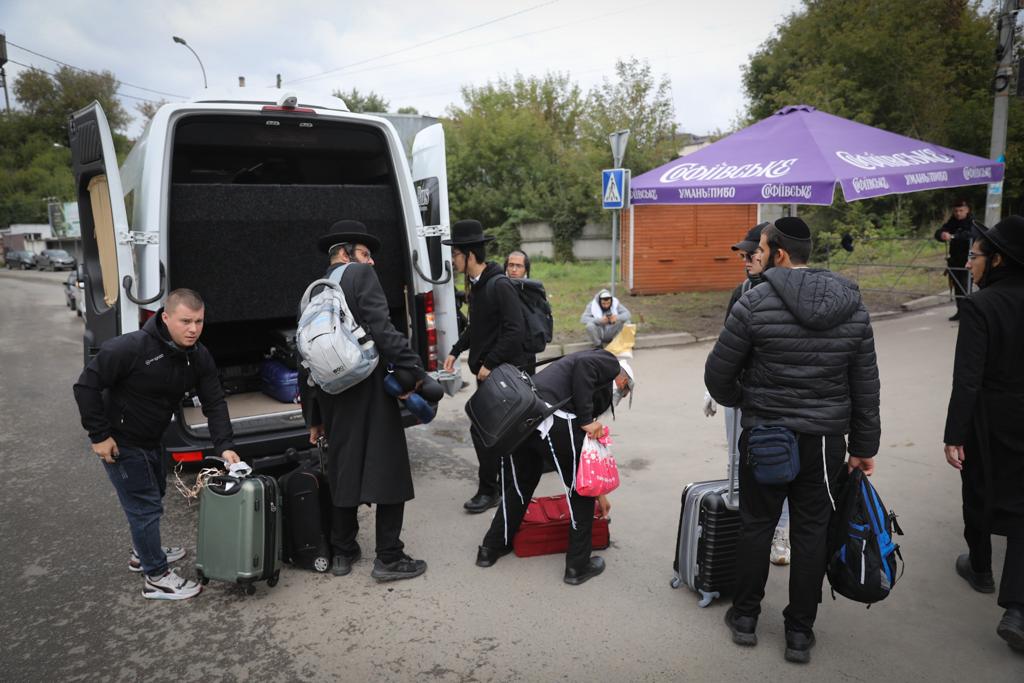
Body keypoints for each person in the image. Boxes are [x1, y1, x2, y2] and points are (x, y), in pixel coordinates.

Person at [704, 217, 880, 664]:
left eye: (761, 248)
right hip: (824, 443)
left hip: (765, 433)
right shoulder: (852, 305)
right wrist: (864, 446)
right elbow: (865, 384)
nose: (757, 255)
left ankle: (744, 618)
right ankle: (799, 633)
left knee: (756, 525)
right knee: (811, 533)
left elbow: (718, 375)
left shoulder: (755, 301)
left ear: (779, 254)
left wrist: (746, 402)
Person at [73, 289, 240, 600]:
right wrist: (98, 435)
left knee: (156, 495)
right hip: (121, 442)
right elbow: (86, 386)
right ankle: (156, 576)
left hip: (153, 438)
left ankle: (142, 552)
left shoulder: (198, 354)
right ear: (166, 317)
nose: (193, 329)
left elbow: (214, 401)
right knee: (144, 507)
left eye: (199, 321)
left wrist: (224, 445)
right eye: (186, 321)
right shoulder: (131, 348)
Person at [301, 220, 428, 582]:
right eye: (365, 254)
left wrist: (313, 416)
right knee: (388, 468)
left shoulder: (313, 292)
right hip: (369, 391)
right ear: (345, 253)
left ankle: (343, 552)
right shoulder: (359, 277)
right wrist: (414, 370)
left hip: (332, 397)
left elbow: (304, 355)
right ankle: (389, 557)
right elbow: (383, 329)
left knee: (343, 469)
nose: (370, 262)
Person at [475, 350, 634, 584]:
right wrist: (586, 420)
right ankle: (577, 567)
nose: (620, 393)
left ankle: (491, 548)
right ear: (623, 380)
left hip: (525, 419)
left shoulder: (571, 374)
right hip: (553, 420)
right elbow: (584, 366)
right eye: (624, 389)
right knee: (579, 493)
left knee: (520, 485)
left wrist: (600, 492)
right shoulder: (610, 363)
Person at [942, 216, 1024, 653]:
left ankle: (980, 567)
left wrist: (954, 435)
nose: (969, 263)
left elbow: (968, 379)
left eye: (974, 256)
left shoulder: (981, 306)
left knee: (977, 487)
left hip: (990, 418)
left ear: (997, 260)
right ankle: (1018, 609)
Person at [703, 221, 791, 566]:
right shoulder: (741, 292)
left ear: (772, 254)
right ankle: (745, 529)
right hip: (739, 396)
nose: (746, 260)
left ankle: (780, 532)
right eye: (744, 255)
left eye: (752, 253)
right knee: (739, 463)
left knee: (778, 466)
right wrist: (711, 386)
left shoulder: (787, 295)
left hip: (775, 400)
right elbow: (726, 345)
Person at [442, 220, 527, 513]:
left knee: (485, 432)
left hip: (498, 375)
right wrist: (456, 350)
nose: (453, 260)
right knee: (494, 433)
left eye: (455, 254)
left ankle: (489, 491)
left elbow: (516, 331)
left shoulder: (499, 284)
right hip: (486, 375)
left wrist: (489, 363)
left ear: (469, 255)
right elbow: (478, 327)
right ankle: (501, 485)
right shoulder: (478, 285)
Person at [934, 199, 974, 321]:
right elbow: (939, 232)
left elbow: (970, 235)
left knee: (965, 287)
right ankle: (960, 311)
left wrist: (952, 236)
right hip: (954, 259)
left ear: (967, 210)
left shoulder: (972, 222)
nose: (958, 213)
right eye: (956, 211)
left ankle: (969, 314)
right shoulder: (953, 222)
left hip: (968, 260)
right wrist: (942, 235)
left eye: (961, 210)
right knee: (957, 287)